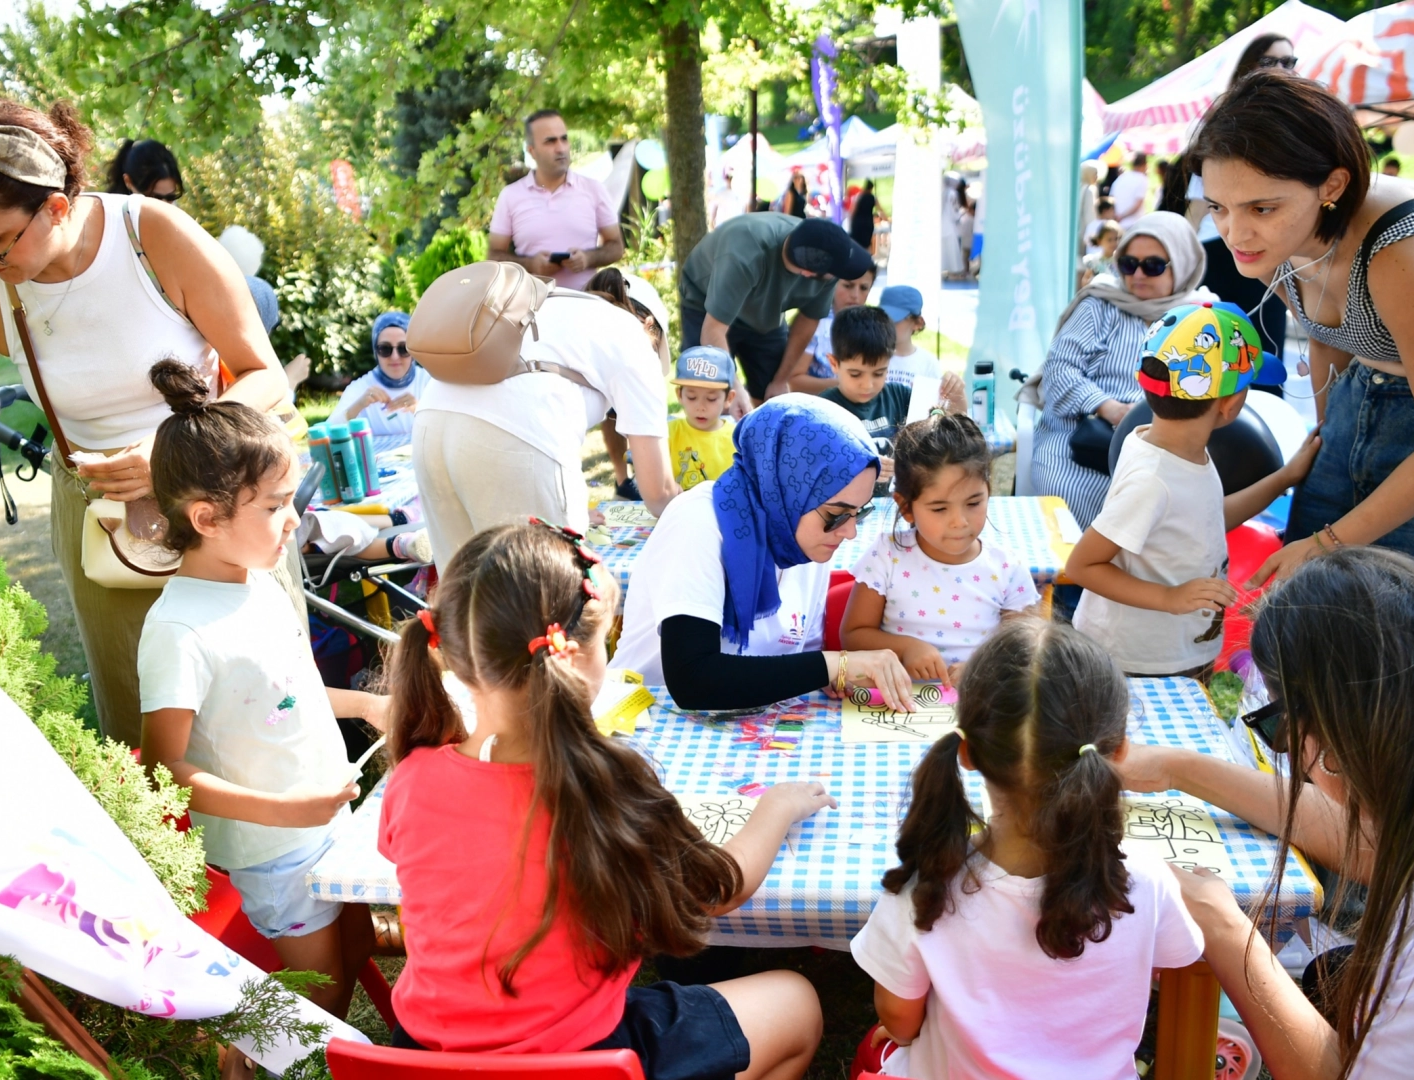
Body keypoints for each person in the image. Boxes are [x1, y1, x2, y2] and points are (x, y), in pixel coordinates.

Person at [378, 522, 830, 1076]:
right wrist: (776, 809)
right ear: (582, 656)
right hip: (586, 1062)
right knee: (797, 1002)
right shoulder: (611, 785)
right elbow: (716, 889)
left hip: (423, 1059)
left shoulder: (413, 776)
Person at [1115, 548, 1414, 1079]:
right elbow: (1373, 831)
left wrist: (1223, 926)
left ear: (1332, 742)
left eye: (1280, 727)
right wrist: (1178, 768)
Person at [0, 98, 294, 745]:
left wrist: (167, 448)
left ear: (54, 206)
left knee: (261, 713)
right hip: (105, 528)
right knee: (146, 726)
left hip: (223, 501)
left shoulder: (154, 236)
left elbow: (262, 374)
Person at [1194, 70, 1414, 614]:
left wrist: (1325, 542)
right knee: (1315, 618)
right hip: (1364, 384)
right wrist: (1328, 430)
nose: (1235, 233)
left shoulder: (1401, 253)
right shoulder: (1271, 242)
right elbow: (1326, 338)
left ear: (1332, 187)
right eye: (1219, 206)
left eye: (1261, 208)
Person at [849, 618, 1204, 1079]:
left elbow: (899, 1019)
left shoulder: (926, 887)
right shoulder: (1148, 878)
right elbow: (1173, 963)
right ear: (1118, 753)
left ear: (967, 753)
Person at [137, 360, 384, 1019]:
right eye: (275, 507)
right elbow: (166, 769)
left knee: (356, 944)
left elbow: (286, 690)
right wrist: (285, 812)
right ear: (207, 518)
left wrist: (367, 704)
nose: (290, 522)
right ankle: (253, 1053)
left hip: (325, 818)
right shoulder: (178, 630)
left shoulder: (260, 581)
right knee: (318, 994)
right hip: (272, 849)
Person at [610, 395, 915, 712]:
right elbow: (691, 679)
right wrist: (833, 665)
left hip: (733, 734)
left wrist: (828, 673)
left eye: (857, 513)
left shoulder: (803, 545)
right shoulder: (700, 521)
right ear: (786, 488)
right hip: (643, 726)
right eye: (836, 514)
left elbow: (798, 661)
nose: (849, 532)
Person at [1064, 303, 1319, 677]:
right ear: (1230, 405)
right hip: (1134, 661)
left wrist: (1283, 478)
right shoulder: (1152, 480)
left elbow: (1207, 516)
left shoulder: (1181, 451)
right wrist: (1169, 598)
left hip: (1178, 646)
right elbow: (1082, 565)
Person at [414, 290, 679, 571]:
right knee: (546, 595)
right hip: (511, 433)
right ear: (649, 323)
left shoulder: (558, 304)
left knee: (462, 593)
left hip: (429, 423)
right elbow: (658, 493)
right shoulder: (633, 336)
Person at [1031, 211, 1214, 529]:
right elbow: (1060, 370)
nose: (1138, 274)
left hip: (1168, 445)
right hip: (1082, 434)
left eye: (1153, 265)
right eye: (1128, 263)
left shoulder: (1202, 319)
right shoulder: (1100, 303)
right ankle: (1075, 576)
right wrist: (1111, 409)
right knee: (1064, 493)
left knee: (1175, 502)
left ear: (1182, 265)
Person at [840, 414, 1039, 686]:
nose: (960, 522)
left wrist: (983, 667)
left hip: (976, 705)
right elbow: (853, 635)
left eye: (973, 503)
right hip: (896, 704)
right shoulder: (887, 556)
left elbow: (1026, 649)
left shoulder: (1007, 568)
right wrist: (906, 648)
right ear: (906, 507)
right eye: (940, 509)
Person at [680, 214, 873, 405]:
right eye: (837, 272)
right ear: (807, 272)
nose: (839, 275)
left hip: (764, 314)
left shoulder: (824, 260)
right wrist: (733, 386)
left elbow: (808, 320)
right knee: (712, 394)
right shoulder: (745, 254)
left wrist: (781, 380)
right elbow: (713, 329)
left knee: (774, 399)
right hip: (704, 302)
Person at [1187, 34, 1297, 367]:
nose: (1281, 69)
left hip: (1275, 249)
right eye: (1269, 61)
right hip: (1221, 248)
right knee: (1218, 355)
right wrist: (1184, 258)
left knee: (1266, 355)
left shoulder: (1298, 123)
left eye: (1289, 62)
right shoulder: (1222, 122)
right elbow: (1197, 202)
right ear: (1247, 67)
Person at [487, 110, 623, 291]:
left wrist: (588, 259)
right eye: (550, 141)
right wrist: (530, 264)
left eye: (564, 139)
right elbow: (493, 255)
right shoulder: (510, 196)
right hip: (531, 310)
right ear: (532, 151)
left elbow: (616, 247)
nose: (560, 148)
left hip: (586, 305)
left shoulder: (594, 190)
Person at [585, 267, 670, 501]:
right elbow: (660, 494)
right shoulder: (636, 349)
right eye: (656, 349)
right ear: (649, 324)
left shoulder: (578, 325)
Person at [820, 306, 916, 466]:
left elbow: (941, 433)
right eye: (855, 374)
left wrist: (953, 394)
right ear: (834, 363)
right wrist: (861, 470)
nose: (867, 385)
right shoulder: (823, 410)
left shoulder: (901, 397)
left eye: (879, 373)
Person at [325, 311, 430, 452]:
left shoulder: (429, 382)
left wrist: (421, 411)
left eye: (403, 348)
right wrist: (358, 406)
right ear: (376, 350)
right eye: (385, 349)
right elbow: (325, 435)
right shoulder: (360, 387)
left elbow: (452, 430)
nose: (394, 357)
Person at [792, 261, 875, 396]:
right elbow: (793, 380)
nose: (855, 295)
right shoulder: (815, 322)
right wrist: (844, 385)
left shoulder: (874, 324)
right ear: (833, 283)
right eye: (848, 285)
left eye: (864, 288)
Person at [878, 285, 967, 407]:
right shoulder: (871, 356)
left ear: (917, 323)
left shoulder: (928, 363)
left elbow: (936, 406)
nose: (887, 325)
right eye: (882, 318)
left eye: (894, 320)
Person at [668, 345, 737, 490]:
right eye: (692, 397)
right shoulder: (668, 433)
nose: (701, 407)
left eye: (711, 399)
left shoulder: (737, 438)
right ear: (679, 395)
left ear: (729, 398)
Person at [105, 138, 183, 201]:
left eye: (170, 197)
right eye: (155, 198)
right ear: (128, 181)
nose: (165, 206)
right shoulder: (109, 217)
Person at [1111, 152, 1150, 227]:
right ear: (1145, 164)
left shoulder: (1121, 178)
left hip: (1117, 224)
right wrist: (1122, 216)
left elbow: (1111, 198)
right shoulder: (1142, 179)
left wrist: (1117, 216)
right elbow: (1138, 203)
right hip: (1133, 224)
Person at [1080, 220, 1122, 288]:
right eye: (1109, 240)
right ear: (1100, 241)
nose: (1114, 243)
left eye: (1116, 239)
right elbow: (1085, 279)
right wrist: (1089, 284)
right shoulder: (1094, 260)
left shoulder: (1120, 260)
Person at [850, 178, 879, 251]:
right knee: (866, 242)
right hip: (868, 222)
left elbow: (853, 210)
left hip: (858, 222)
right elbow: (880, 210)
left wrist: (851, 221)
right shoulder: (873, 198)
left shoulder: (858, 197)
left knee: (856, 242)